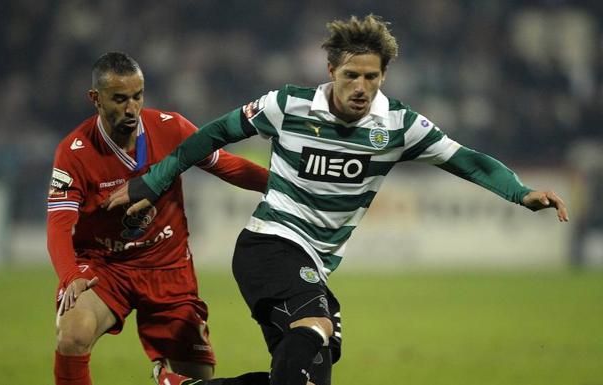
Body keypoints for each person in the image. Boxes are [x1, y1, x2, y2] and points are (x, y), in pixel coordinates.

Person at [105, 15, 569, 385]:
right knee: (317, 327)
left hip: (318, 261)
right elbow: (212, 135)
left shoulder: (399, 126)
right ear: (331, 71)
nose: (361, 87)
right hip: (269, 245)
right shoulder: (289, 106)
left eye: (371, 76)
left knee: (303, 375)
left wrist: (520, 192)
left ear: (384, 76)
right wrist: (152, 183)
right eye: (351, 75)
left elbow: (467, 160)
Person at [47, 52, 271, 385]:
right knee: (73, 333)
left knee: (197, 377)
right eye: (119, 99)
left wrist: (282, 186)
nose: (131, 108)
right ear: (95, 98)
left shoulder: (170, 127)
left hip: (168, 268)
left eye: (137, 96)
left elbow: (226, 165)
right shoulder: (74, 151)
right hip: (107, 268)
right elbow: (58, 226)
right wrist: (69, 274)